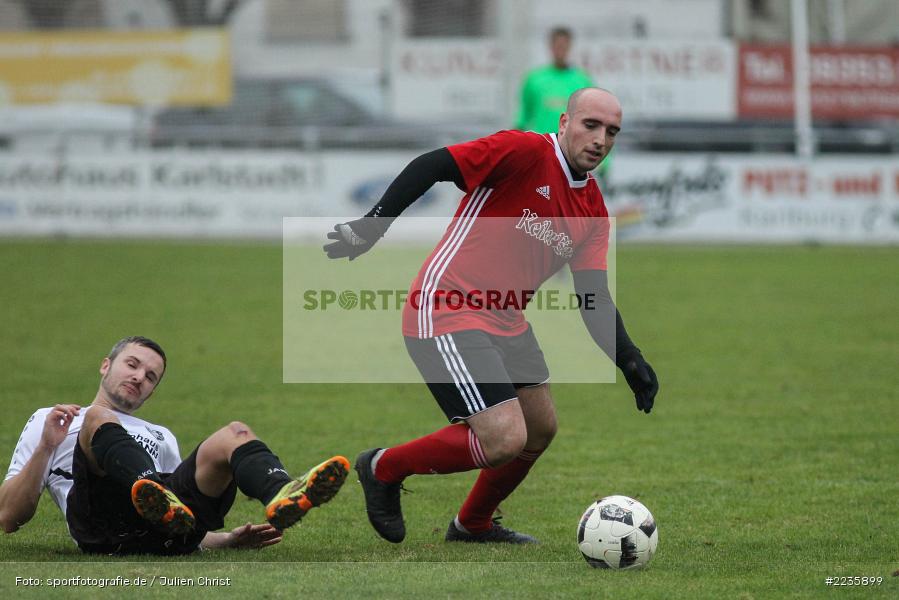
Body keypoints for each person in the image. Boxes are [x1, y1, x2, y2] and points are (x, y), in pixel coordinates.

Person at [324, 87, 659, 544]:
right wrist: (372, 225)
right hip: (448, 307)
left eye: (612, 132)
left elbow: (592, 294)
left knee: (540, 428)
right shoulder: (522, 151)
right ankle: (382, 468)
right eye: (591, 125)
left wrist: (629, 358)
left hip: (506, 321)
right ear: (564, 123)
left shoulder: (592, 208)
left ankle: (472, 525)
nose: (601, 140)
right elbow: (433, 164)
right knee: (504, 439)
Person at [0, 336, 350, 555]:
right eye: (132, 365)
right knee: (99, 417)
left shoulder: (161, 435)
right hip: (103, 527)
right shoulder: (57, 419)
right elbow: (8, 517)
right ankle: (148, 484)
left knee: (235, 432)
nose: (139, 377)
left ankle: (282, 490)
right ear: (106, 365)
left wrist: (226, 540)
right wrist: (47, 446)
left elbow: (178, 520)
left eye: (150, 376)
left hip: (163, 534)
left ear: (152, 391)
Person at [516, 27, 593, 135]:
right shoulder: (534, 78)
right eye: (557, 45)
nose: (560, 49)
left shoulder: (582, 80)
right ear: (550, 46)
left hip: (569, 146)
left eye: (564, 45)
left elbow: (590, 116)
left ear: (570, 46)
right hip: (541, 144)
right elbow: (523, 116)